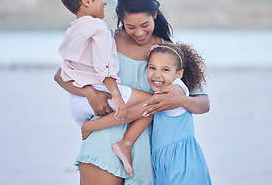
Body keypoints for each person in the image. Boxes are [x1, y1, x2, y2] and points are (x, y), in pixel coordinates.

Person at [54, 0, 210, 185]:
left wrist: (181, 100)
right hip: (103, 138)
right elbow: (61, 75)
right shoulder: (104, 39)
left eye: (145, 24)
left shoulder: (168, 52)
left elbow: (203, 103)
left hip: (145, 148)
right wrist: (90, 92)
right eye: (130, 26)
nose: (139, 33)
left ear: (154, 14)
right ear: (121, 19)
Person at [81, 43, 212, 185]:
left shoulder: (172, 92)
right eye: (152, 68)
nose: (157, 75)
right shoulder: (165, 90)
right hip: (164, 161)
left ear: (178, 74)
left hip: (180, 161)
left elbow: (131, 114)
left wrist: (91, 126)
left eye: (165, 70)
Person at [58, 0, 154, 129]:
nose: (104, 2)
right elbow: (105, 65)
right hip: (101, 92)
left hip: (76, 101)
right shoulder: (98, 27)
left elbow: (64, 72)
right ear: (86, 0)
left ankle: (92, 126)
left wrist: (88, 92)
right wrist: (117, 97)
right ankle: (122, 142)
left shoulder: (72, 31)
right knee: (151, 102)